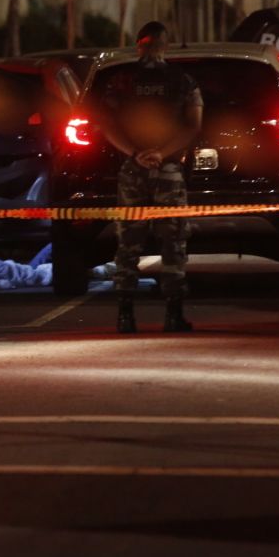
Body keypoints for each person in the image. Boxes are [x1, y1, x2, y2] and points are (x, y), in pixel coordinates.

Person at [100, 21, 204, 334]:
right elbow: (192, 126)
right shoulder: (183, 81)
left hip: (132, 171)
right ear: (166, 46)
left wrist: (135, 154)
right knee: (172, 240)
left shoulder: (120, 81)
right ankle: (173, 314)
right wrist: (162, 153)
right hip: (169, 171)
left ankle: (125, 315)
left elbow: (106, 124)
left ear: (138, 45)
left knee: (128, 242)